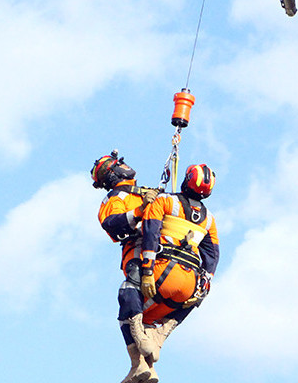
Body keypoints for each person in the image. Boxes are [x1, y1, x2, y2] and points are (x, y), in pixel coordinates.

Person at [137, 163, 220, 366]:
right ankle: (156, 346)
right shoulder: (209, 220)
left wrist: (147, 270)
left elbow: (150, 233)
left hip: (162, 273)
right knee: (151, 322)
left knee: (131, 311)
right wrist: (202, 290)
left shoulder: (165, 201)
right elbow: (213, 256)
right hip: (188, 287)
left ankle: (139, 361)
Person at [93, 150, 162, 383]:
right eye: (119, 164)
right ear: (112, 172)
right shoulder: (115, 199)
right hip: (139, 253)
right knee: (129, 299)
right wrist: (141, 211)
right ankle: (142, 365)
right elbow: (112, 224)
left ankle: (141, 364)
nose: (126, 165)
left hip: (163, 251)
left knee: (136, 304)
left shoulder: (143, 192)